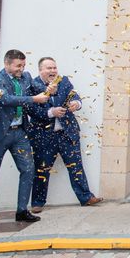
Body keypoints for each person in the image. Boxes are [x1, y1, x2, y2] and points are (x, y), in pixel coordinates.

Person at [0, 49, 50, 228]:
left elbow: (39, 88)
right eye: (18, 65)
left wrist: (49, 88)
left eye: (23, 65)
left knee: (28, 169)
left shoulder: (26, 77)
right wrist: (34, 99)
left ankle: (22, 210)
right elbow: (6, 99)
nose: (21, 68)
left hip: (20, 132)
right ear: (7, 64)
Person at [27, 57, 103, 211]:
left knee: (76, 166)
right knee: (42, 168)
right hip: (44, 136)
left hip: (67, 133)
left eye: (54, 67)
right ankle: (37, 203)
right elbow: (31, 109)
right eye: (49, 68)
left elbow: (74, 95)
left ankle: (86, 197)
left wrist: (77, 103)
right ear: (40, 70)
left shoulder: (64, 81)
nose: (53, 71)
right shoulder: (33, 86)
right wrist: (51, 112)